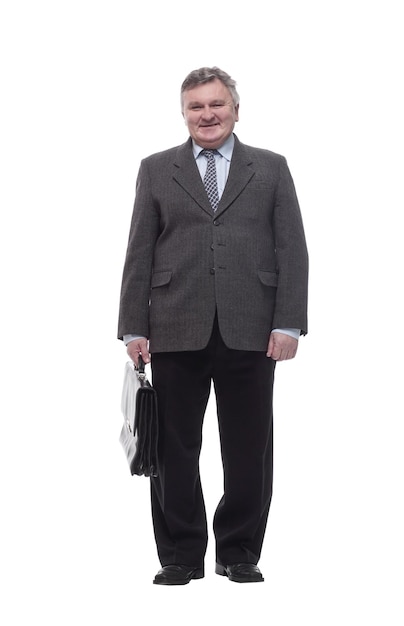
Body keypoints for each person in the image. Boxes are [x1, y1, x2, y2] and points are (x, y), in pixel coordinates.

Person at [117, 66, 308, 585]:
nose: (207, 114)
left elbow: (292, 249)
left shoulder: (270, 168)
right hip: (174, 324)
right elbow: (139, 252)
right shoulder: (157, 169)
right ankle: (179, 554)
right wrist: (133, 327)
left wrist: (289, 322)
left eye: (216, 104)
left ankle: (239, 551)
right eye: (196, 107)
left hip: (252, 326)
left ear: (235, 109)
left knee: (249, 446)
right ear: (184, 114)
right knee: (173, 447)